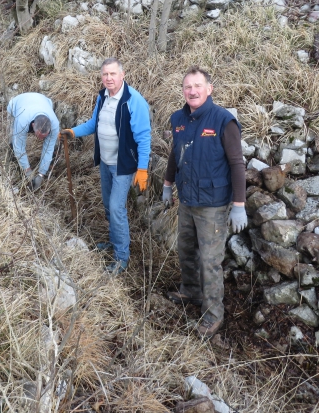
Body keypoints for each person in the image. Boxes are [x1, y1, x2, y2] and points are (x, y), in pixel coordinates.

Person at [163, 67, 247, 338]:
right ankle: (191, 291)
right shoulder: (178, 119)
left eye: (198, 86)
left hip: (213, 205)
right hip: (187, 199)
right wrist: (167, 184)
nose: (192, 91)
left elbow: (237, 164)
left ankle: (213, 316)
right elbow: (175, 155)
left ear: (209, 89)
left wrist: (239, 205)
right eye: (188, 86)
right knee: (185, 249)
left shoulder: (224, 121)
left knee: (210, 261)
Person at [61, 58, 151, 275]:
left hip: (124, 165)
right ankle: (114, 242)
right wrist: (73, 132)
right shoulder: (102, 96)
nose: (109, 78)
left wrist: (142, 169)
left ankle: (122, 257)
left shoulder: (133, 100)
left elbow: (144, 137)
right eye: (105, 75)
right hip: (106, 161)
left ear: (122, 75)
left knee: (117, 208)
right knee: (108, 206)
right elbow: (94, 124)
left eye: (113, 74)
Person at [7, 93, 60, 191]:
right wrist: (28, 172)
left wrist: (41, 174)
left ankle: (47, 169)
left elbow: (48, 149)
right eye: (39, 136)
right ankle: (14, 164)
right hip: (17, 105)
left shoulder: (54, 124)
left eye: (44, 137)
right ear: (32, 125)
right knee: (13, 142)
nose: (40, 139)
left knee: (52, 146)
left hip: (43, 100)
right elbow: (19, 147)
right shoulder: (22, 121)